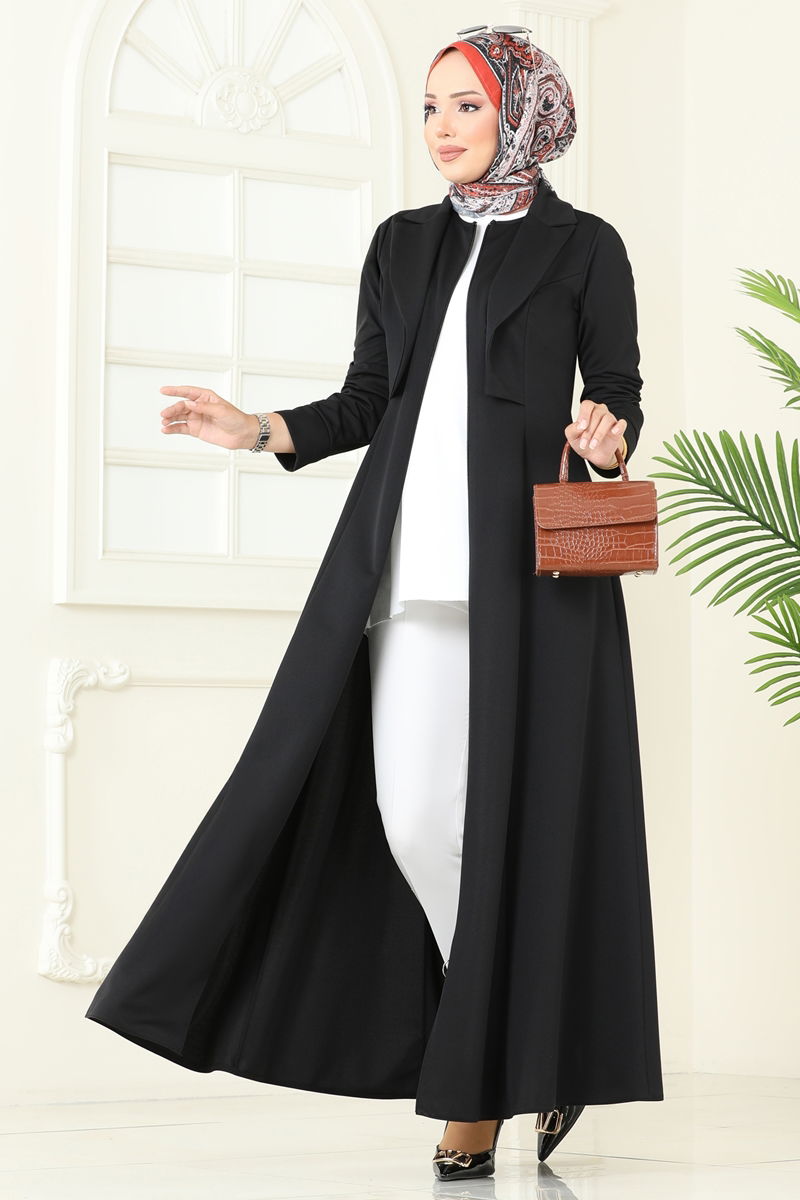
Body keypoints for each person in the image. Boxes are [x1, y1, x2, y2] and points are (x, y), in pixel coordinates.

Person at [86, 26, 663, 1183]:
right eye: (429, 106)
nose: (440, 127)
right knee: (414, 819)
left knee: (522, 822)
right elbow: (366, 400)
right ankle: (519, 1042)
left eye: (466, 105)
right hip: (404, 568)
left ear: (523, 114)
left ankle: (479, 1088)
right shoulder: (400, 244)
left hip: (533, 582)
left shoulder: (584, 246)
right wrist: (256, 428)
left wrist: (606, 436)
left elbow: (614, 389)